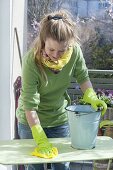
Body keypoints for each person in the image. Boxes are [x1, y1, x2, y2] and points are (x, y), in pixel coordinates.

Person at [16, 10, 107, 170]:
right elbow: (30, 105)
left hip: (59, 119)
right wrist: (38, 134)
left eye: (61, 50)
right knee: (35, 167)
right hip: (31, 122)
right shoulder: (31, 61)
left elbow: (83, 77)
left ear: (69, 45)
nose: (56, 56)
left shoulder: (75, 52)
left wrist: (91, 96)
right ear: (43, 42)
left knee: (62, 165)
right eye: (51, 50)